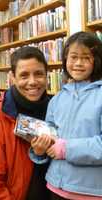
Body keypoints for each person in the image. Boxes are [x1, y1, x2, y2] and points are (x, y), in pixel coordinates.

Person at [30, 31, 102, 200]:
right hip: (55, 186)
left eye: (86, 57)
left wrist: (66, 149)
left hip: (90, 191)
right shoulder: (56, 99)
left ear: (96, 60)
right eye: (73, 57)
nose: (78, 63)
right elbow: (50, 140)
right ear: (65, 60)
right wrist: (39, 151)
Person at [0, 46, 52, 200]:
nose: (32, 82)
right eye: (24, 76)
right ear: (12, 77)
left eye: (39, 74)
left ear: (46, 75)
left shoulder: (56, 109)